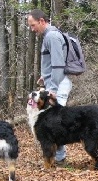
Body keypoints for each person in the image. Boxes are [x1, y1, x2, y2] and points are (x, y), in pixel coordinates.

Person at [27, 9, 72, 165]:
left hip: (57, 85)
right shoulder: (49, 35)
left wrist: (52, 89)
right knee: (54, 123)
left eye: (33, 25)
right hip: (54, 82)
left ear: (41, 21)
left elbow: (58, 65)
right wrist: (44, 76)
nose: (32, 29)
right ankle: (57, 157)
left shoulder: (52, 36)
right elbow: (52, 63)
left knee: (55, 124)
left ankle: (59, 159)